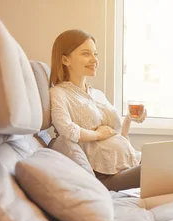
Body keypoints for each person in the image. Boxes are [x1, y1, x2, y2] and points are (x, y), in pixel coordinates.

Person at [49, 29, 146, 191]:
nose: (94, 60)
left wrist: (129, 118)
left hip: (129, 161)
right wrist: (98, 135)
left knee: (170, 157)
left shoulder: (97, 94)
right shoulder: (59, 93)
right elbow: (66, 129)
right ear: (65, 60)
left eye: (95, 54)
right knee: (166, 167)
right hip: (107, 176)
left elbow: (118, 135)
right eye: (86, 54)